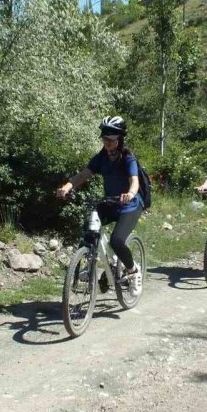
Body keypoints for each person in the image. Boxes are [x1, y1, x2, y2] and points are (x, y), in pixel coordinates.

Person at [56, 116, 143, 296]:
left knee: (117, 240)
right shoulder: (101, 158)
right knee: (89, 228)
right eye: (104, 139)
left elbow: (134, 181)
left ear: (119, 139)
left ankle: (133, 271)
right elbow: (83, 175)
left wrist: (131, 193)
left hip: (129, 205)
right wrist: (67, 186)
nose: (107, 142)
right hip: (110, 202)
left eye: (111, 139)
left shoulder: (128, 158)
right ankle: (93, 262)